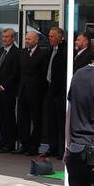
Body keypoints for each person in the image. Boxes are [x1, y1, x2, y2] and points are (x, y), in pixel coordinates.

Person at [62, 55, 94, 186]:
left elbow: (69, 114)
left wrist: (68, 147)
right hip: (93, 150)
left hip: (76, 148)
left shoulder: (79, 74)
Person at [14, 31, 47, 155]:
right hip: (22, 91)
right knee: (23, 119)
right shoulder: (21, 53)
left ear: (36, 40)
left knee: (36, 120)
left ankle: (34, 146)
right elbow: (18, 72)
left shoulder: (42, 54)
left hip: (36, 92)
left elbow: (43, 75)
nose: (27, 41)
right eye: (26, 39)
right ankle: (25, 144)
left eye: (29, 39)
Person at [0, 28, 20, 153]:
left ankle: (10, 143)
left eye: (7, 37)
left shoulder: (16, 52)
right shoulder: (0, 51)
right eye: (3, 36)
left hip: (8, 91)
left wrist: (2, 86)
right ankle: (2, 141)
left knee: (9, 117)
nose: (4, 39)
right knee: (1, 117)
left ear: (12, 38)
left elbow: (14, 73)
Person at [42, 27, 67, 159]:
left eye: (52, 36)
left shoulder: (64, 51)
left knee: (60, 121)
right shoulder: (51, 50)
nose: (49, 38)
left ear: (59, 37)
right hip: (50, 89)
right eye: (49, 36)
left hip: (60, 92)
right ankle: (53, 147)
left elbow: (63, 73)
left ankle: (61, 149)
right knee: (51, 120)